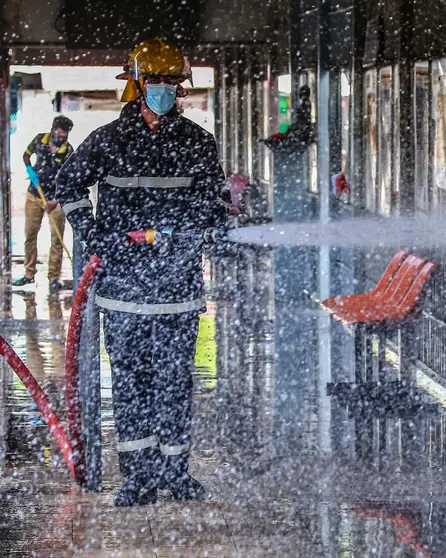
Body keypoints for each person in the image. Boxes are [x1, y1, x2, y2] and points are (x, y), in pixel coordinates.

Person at [56, 38, 228, 506]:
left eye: (172, 82)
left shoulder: (197, 142)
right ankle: (137, 477)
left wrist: (190, 230)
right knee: (131, 385)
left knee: (174, 382)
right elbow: (67, 184)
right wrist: (94, 234)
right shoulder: (108, 140)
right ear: (136, 85)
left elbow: (217, 205)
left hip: (178, 291)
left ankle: (175, 472)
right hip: (123, 292)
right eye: (155, 80)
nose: (164, 90)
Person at [12, 116, 74, 290]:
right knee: (30, 235)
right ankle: (29, 274)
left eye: (64, 135)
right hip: (34, 196)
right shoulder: (40, 140)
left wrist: (55, 201)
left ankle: (54, 277)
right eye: (59, 133)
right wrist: (30, 169)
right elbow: (26, 155)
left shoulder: (68, 152)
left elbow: (69, 181)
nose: (61, 138)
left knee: (57, 239)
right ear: (53, 129)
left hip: (56, 200)